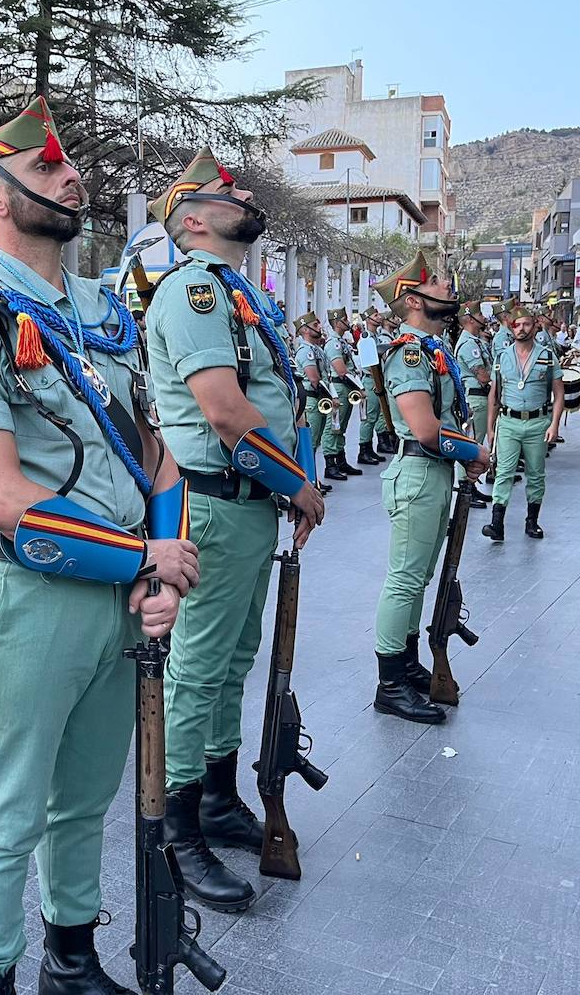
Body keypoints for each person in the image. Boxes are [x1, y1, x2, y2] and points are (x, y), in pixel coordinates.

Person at [0, 97, 195, 993]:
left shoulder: (108, 315)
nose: (71, 175)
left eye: (67, 165)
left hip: (118, 603)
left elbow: (160, 465)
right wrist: (141, 559)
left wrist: (166, 565)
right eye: (45, 169)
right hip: (26, 601)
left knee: (85, 803)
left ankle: (71, 959)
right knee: (5, 815)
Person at [146, 146, 325, 913]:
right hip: (215, 503)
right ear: (192, 220)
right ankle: (176, 830)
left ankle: (217, 799)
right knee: (197, 669)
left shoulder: (237, 295)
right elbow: (223, 410)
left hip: (248, 504)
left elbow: (278, 395)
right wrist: (300, 484)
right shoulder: (193, 292)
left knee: (231, 661)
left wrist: (290, 480)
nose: (245, 195)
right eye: (227, 193)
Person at [371, 252, 488, 725]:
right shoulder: (411, 352)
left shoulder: (436, 350)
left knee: (418, 579)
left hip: (434, 474)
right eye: (437, 283)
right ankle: (389, 682)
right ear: (415, 300)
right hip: (419, 472)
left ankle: (408, 661)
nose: (448, 287)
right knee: (404, 579)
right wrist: (473, 452)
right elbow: (424, 429)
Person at [482, 304, 564, 541]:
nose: (521, 329)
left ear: (535, 325)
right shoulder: (502, 357)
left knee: (536, 473)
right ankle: (497, 523)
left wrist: (554, 424)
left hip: (537, 423)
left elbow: (558, 393)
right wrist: (490, 428)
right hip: (508, 421)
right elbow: (494, 396)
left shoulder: (547, 357)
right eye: (517, 325)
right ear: (511, 327)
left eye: (526, 324)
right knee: (503, 472)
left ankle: (532, 521)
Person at [453, 300, 493, 508]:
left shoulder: (476, 341)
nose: (484, 318)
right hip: (475, 398)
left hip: (481, 398)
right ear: (469, 318)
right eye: (480, 314)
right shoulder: (469, 344)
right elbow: (483, 376)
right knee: (471, 444)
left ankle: (471, 486)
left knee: (475, 442)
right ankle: (465, 489)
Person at [293, 311, 335, 487]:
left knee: (315, 442)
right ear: (305, 329)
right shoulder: (306, 351)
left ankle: (313, 479)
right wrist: (331, 394)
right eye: (315, 325)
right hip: (312, 399)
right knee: (309, 444)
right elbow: (314, 378)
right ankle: (308, 481)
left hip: (319, 398)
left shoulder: (316, 349)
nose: (320, 328)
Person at [321, 307, 362, 479]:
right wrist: (358, 387)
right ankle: (330, 465)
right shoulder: (334, 343)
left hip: (346, 388)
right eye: (345, 319)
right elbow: (341, 370)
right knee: (334, 427)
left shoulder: (342, 341)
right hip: (340, 386)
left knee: (342, 427)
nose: (349, 322)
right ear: (338, 322)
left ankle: (340, 460)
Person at [357, 309, 394, 462]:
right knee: (369, 417)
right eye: (375, 316)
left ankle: (372, 448)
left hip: (378, 379)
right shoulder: (366, 338)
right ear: (367, 319)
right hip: (371, 379)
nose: (379, 317)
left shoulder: (376, 337)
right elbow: (371, 364)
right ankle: (363, 449)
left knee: (379, 414)